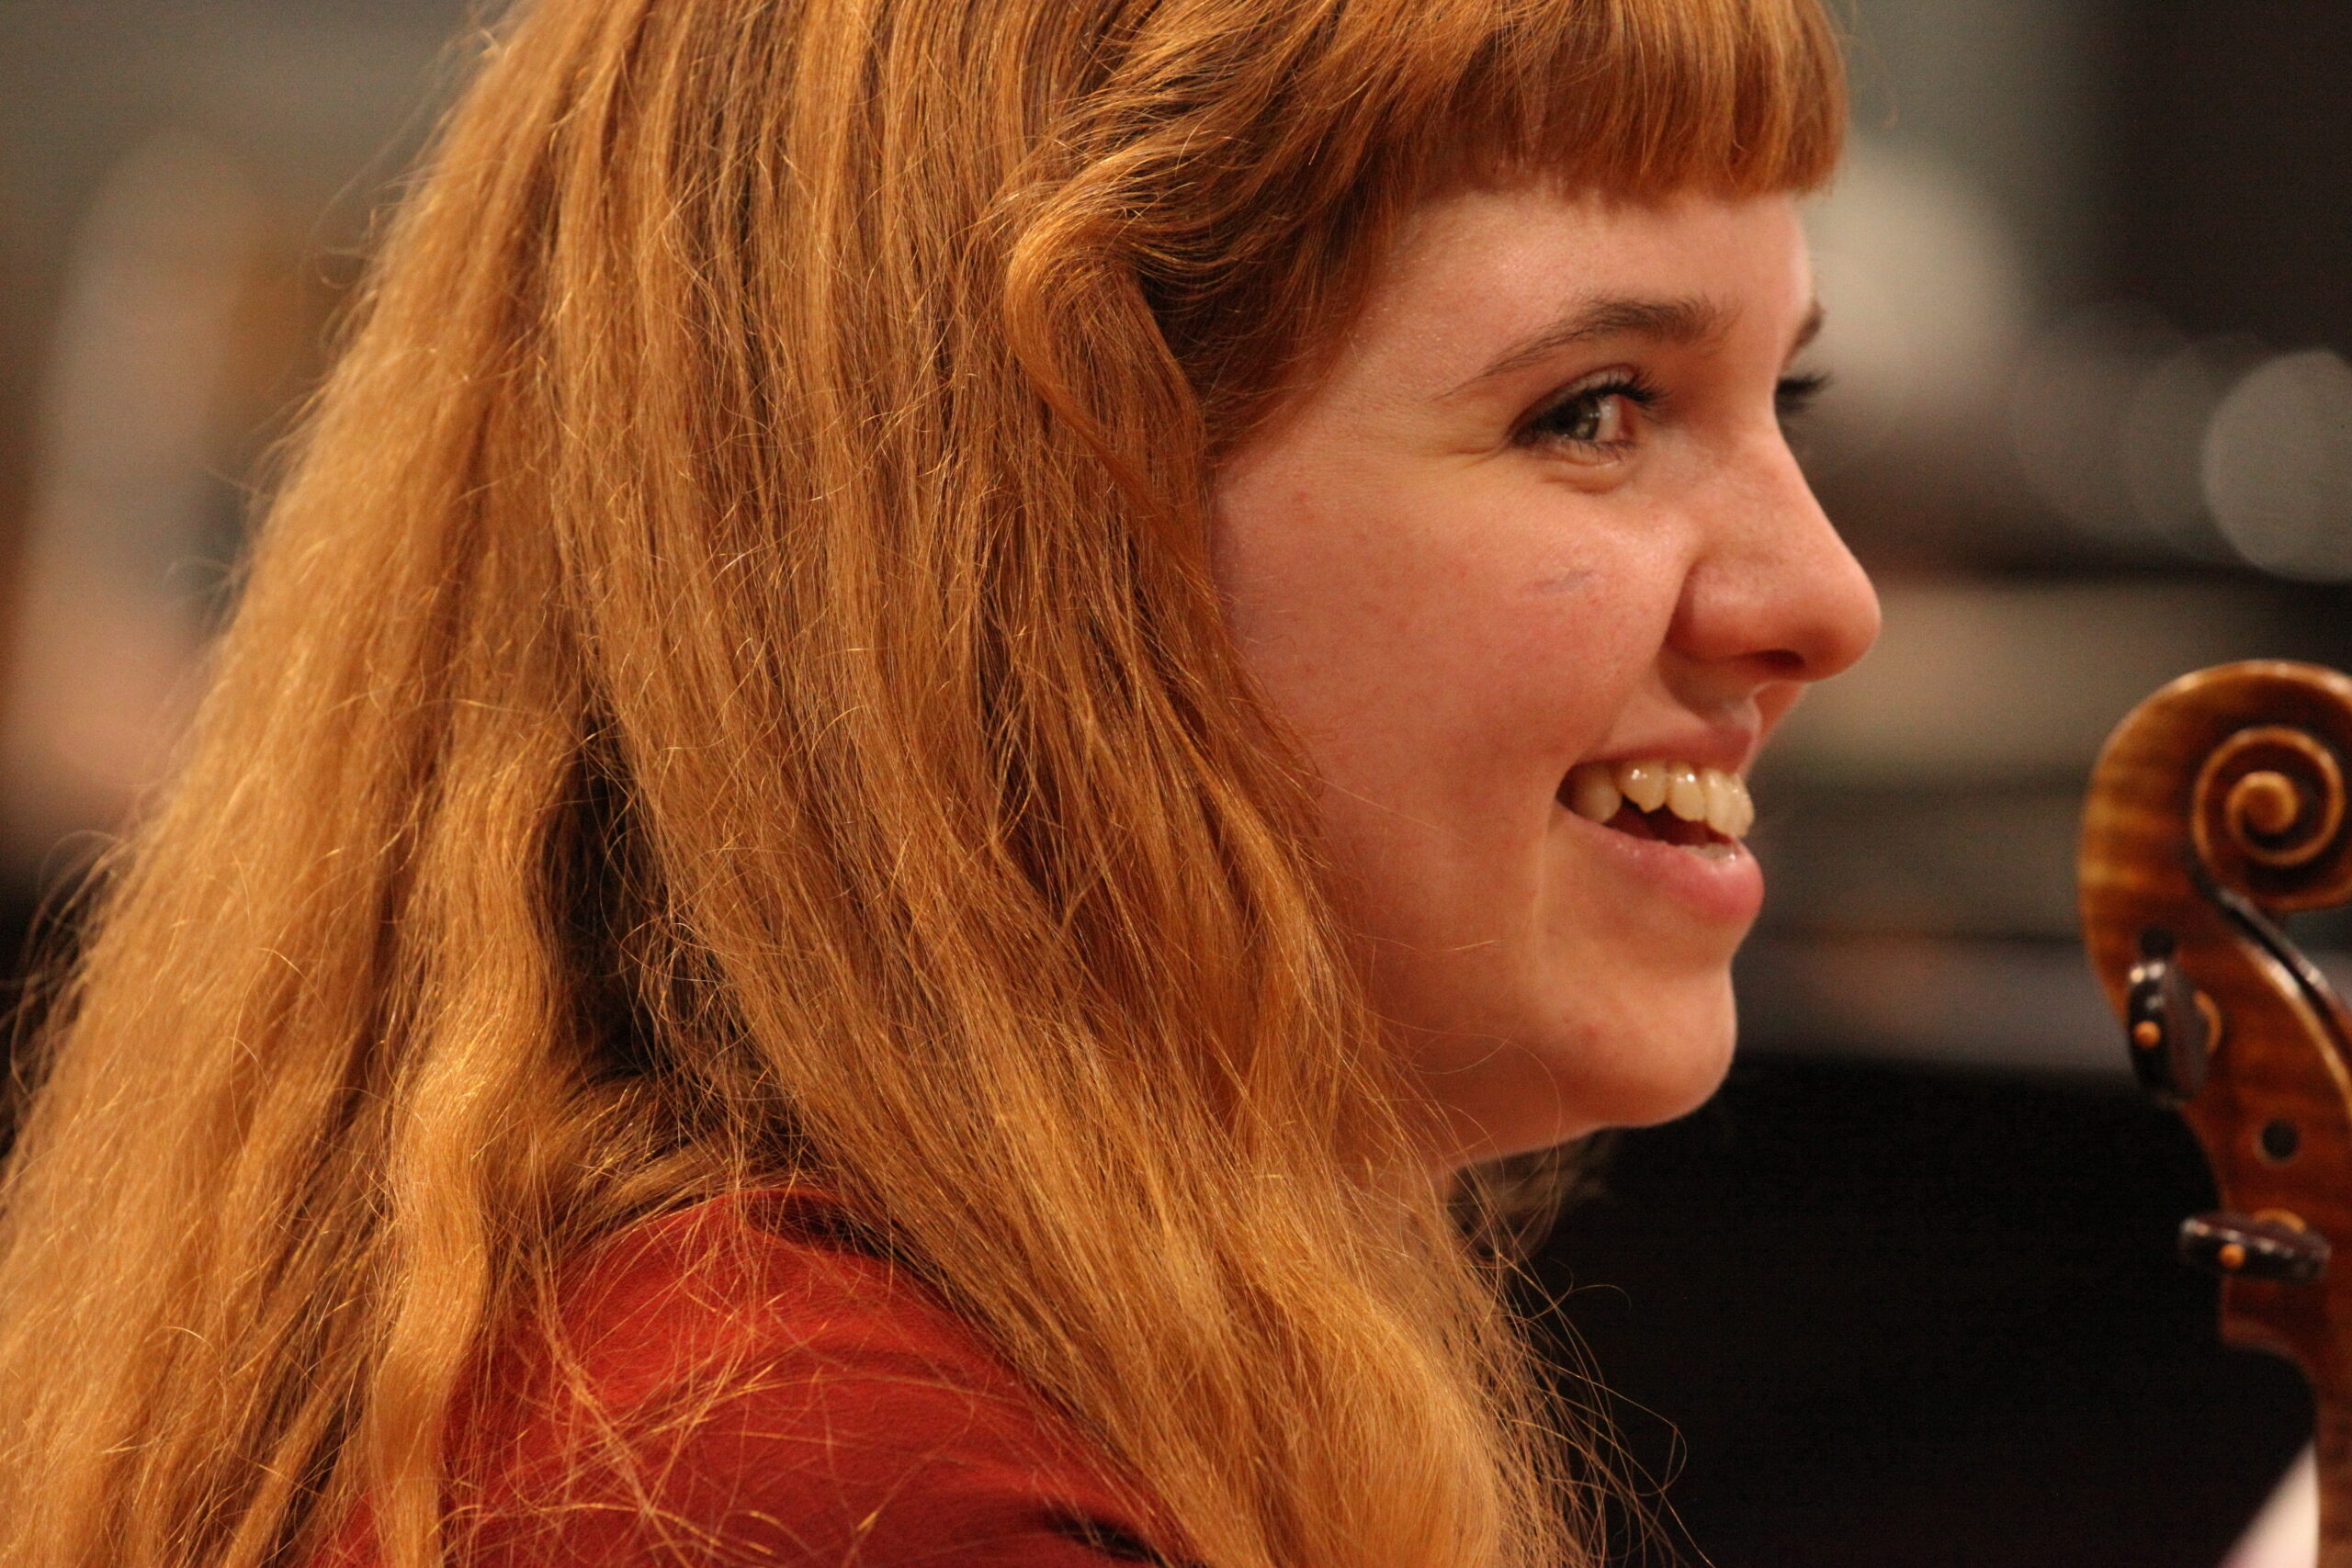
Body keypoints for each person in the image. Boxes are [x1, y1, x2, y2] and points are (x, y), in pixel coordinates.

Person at [0, 0, 1876, 1564]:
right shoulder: (809, 1479)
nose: (1823, 597)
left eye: (1776, 406)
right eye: (1596, 406)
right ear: (1044, 531)